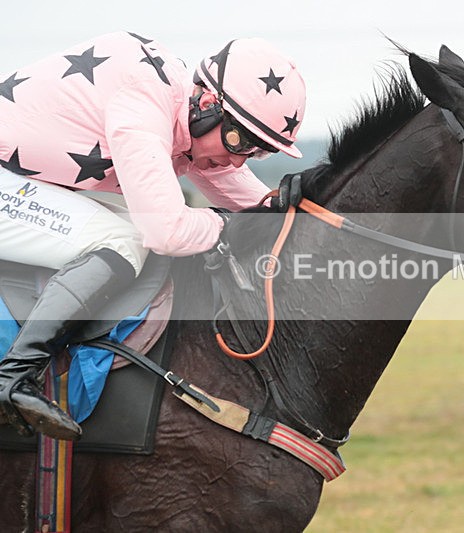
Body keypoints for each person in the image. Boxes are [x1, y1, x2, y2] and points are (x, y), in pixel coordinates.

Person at [0, 32, 306, 440]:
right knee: (120, 238)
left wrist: (293, 210)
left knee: (129, 229)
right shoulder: (144, 102)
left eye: (256, 151)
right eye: (239, 139)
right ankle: (12, 378)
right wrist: (229, 226)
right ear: (208, 103)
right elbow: (168, 232)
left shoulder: (186, 118)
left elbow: (252, 203)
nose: (238, 157)